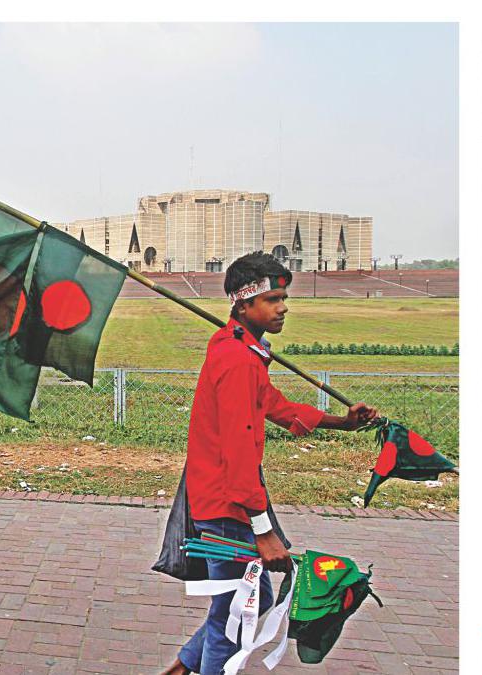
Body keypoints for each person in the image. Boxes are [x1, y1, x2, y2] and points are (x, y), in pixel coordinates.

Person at [161, 252, 377, 675]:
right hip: (227, 502)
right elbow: (239, 452)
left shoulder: (241, 349)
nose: (283, 308)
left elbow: (275, 405)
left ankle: (182, 668)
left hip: (224, 497)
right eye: (273, 299)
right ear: (243, 305)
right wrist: (263, 532)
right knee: (235, 612)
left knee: (248, 597)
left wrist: (343, 423)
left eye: (284, 298)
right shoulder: (238, 359)